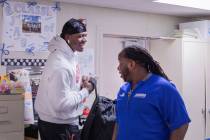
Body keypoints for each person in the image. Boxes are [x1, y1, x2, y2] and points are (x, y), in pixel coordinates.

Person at [112, 46, 191, 140]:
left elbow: (181, 125)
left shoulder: (163, 88)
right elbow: (118, 123)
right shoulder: (123, 90)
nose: (118, 68)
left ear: (131, 64)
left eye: (120, 64)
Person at [35, 18, 94, 140]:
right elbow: (62, 104)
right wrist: (86, 91)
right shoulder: (61, 65)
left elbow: (67, 85)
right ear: (68, 37)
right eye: (80, 36)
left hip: (59, 123)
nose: (85, 40)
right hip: (59, 127)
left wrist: (79, 83)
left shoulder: (69, 54)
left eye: (85, 35)